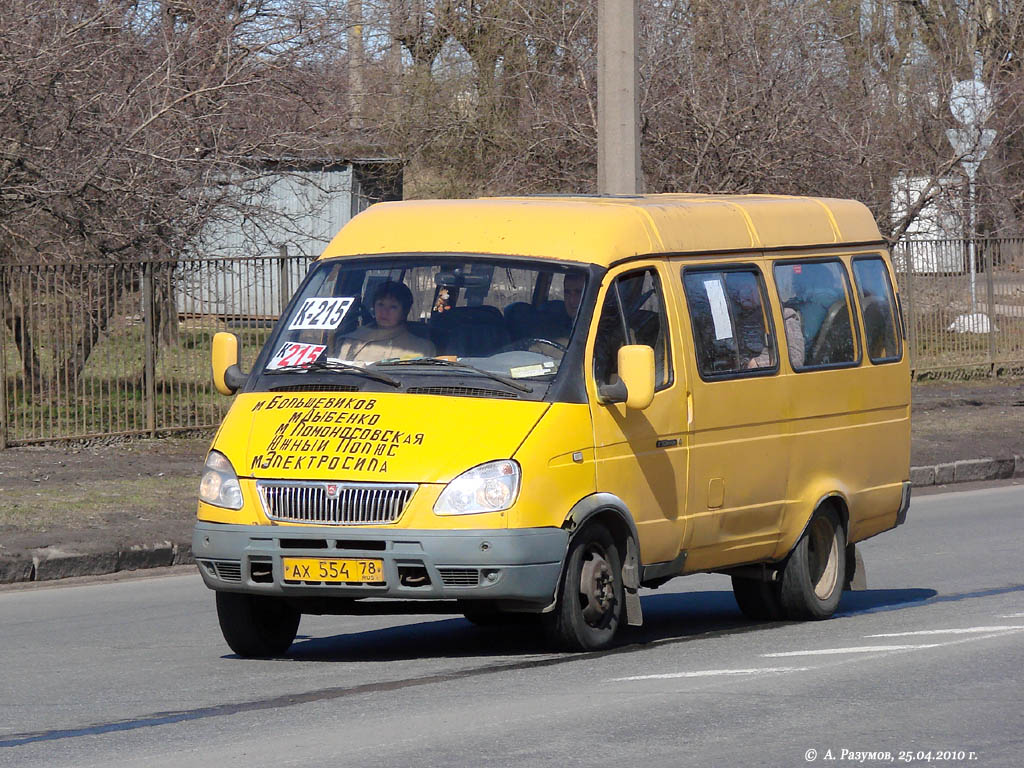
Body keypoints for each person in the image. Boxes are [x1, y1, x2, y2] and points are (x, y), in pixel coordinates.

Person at [334, 281, 435, 363]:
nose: (384, 312)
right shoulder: (351, 341)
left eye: (393, 307)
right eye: (380, 304)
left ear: (405, 311)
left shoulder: (421, 348)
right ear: (373, 307)